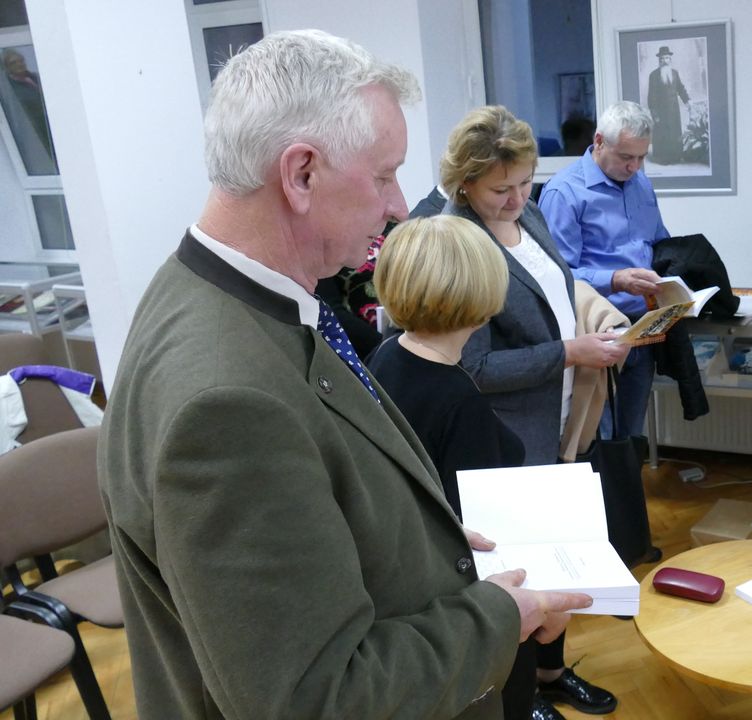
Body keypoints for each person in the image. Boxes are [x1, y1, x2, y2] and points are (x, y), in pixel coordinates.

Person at [98, 30, 590, 720]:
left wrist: (431, 543)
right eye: (385, 175)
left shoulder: (221, 293)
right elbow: (317, 697)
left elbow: (321, 503)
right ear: (301, 174)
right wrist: (501, 614)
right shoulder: (227, 404)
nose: (399, 206)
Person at [438, 104, 627, 720]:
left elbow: (559, 292)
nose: (518, 198)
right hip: (509, 435)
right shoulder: (459, 242)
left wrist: (594, 327)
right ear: (464, 183)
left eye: (525, 183)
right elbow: (474, 367)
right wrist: (570, 352)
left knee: (560, 554)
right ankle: (521, 691)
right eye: (502, 189)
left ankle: (551, 672)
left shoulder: (529, 212)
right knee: (519, 571)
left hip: (559, 416)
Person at [367, 215, 537, 720]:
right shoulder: (458, 398)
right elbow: (478, 523)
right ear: (482, 301)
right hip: (460, 594)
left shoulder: (385, 354)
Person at [540, 101, 670, 440]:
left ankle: (629, 476)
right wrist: (615, 279)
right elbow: (556, 277)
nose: (634, 167)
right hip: (597, 332)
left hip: (643, 328)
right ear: (599, 141)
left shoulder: (641, 184)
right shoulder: (563, 192)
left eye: (641, 157)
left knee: (631, 437)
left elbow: (658, 242)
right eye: (626, 156)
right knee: (598, 438)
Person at [645, 45, 688, 164]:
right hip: (661, 112)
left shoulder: (675, 73)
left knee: (675, 133)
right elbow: (651, 97)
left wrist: (688, 102)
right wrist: (655, 115)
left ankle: (677, 156)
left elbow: (681, 89)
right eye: (662, 58)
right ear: (659, 60)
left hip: (674, 110)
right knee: (663, 134)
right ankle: (663, 158)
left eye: (667, 58)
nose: (665, 61)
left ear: (670, 59)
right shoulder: (653, 75)